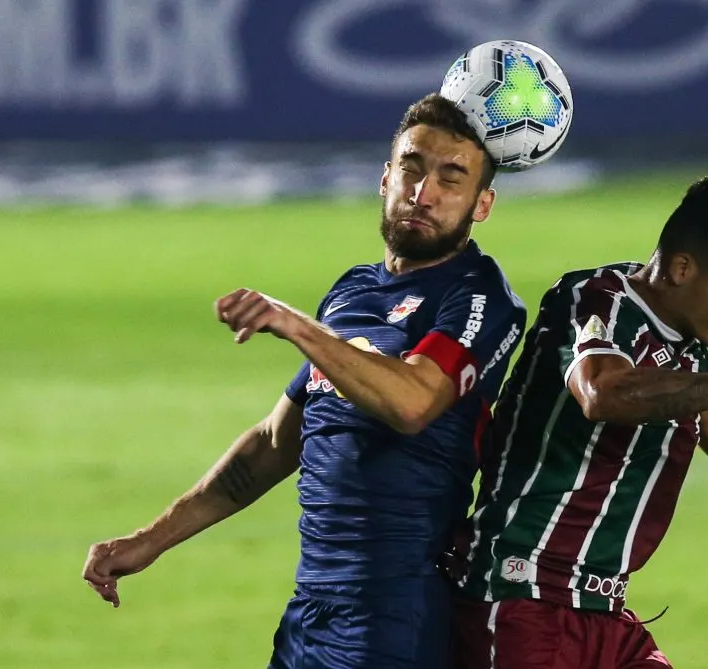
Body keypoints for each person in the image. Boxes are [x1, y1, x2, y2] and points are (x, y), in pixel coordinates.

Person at [82, 93, 528, 669]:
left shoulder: (478, 296)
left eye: (451, 179)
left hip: (392, 617)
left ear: (482, 204)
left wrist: (298, 327)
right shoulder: (352, 291)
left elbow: (414, 402)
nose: (423, 194)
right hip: (311, 612)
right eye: (412, 169)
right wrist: (150, 540)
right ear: (386, 177)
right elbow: (273, 444)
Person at [448, 174, 708, 669]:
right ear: (681, 268)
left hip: (603, 609)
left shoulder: (686, 340)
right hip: (522, 595)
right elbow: (602, 392)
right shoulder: (596, 300)